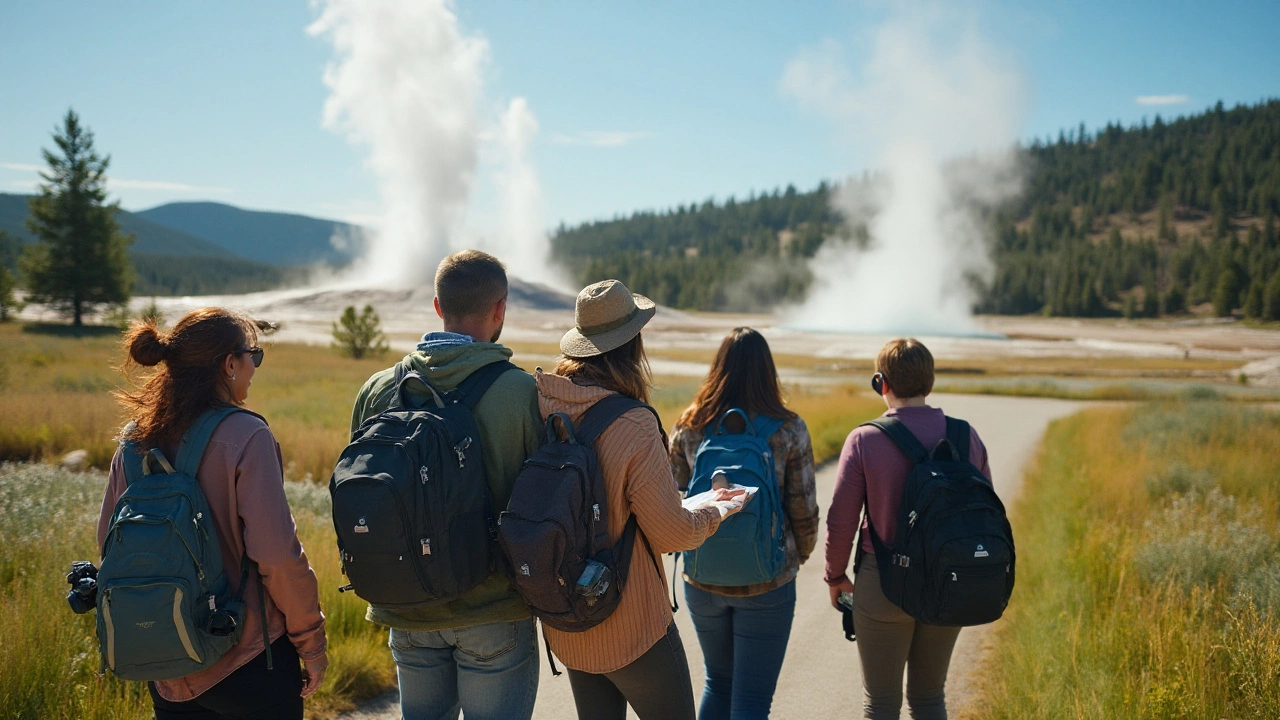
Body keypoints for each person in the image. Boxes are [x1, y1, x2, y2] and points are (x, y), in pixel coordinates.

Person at [99, 307, 328, 720]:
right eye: (253, 357)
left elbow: (108, 543)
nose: (254, 369)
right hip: (251, 658)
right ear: (229, 364)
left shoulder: (133, 440)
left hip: (167, 662)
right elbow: (277, 556)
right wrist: (311, 643)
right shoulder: (247, 435)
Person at [536, 279, 745, 720]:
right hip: (631, 626)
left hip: (567, 618)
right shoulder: (633, 423)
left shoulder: (542, 405)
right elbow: (670, 534)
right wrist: (715, 510)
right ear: (632, 343)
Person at [349, 250, 543, 720]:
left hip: (405, 606)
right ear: (500, 309)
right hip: (492, 610)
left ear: (438, 306)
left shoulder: (378, 389)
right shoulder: (521, 393)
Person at [824, 338, 992, 720]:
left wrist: (835, 576)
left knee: (881, 704)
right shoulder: (967, 436)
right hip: (951, 582)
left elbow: (841, 520)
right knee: (930, 698)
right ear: (929, 382)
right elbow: (985, 512)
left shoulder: (865, 439)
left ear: (880, 382)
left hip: (883, 584)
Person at [668, 327, 819, 720]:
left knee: (717, 683)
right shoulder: (788, 428)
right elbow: (802, 508)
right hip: (768, 580)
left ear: (718, 368)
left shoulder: (689, 426)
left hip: (702, 577)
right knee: (752, 700)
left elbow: (673, 502)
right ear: (767, 372)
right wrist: (794, 557)